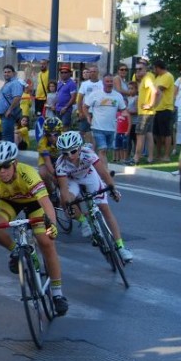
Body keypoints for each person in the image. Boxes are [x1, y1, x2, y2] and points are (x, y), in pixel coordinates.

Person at [0, 141, 68, 316]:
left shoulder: (28, 174)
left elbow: (46, 203)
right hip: (8, 202)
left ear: (14, 163)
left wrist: (52, 224)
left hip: (33, 203)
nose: (2, 171)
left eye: (6, 166)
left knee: (45, 242)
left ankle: (58, 294)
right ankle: (15, 251)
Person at [55, 130, 133, 263]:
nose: (69, 155)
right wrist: (69, 207)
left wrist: (113, 189)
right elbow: (64, 190)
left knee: (104, 208)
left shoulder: (88, 154)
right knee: (65, 200)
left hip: (88, 175)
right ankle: (84, 222)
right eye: (65, 153)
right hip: (72, 179)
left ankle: (121, 247)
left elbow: (103, 173)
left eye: (73, 151)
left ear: (79, 148)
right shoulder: (61, 164)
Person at [83, 73, 129, 169]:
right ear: (103, 83)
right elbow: (85, 106)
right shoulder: (95, 94)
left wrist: (124, 114)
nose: (109, 83)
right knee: (102, 150)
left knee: (104, 151)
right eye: (107, 81)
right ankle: (106, 172)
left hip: (111, 128)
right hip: (97, 127)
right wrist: (87, 116)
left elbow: (123, 109)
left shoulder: (117, 96)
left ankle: (93, 167)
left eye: (111, 81)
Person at [129, 62, 155, 165]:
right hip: (148, 112)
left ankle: (136, 158)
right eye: (136, 69)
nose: (138, 71)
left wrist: (150, 104)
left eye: (140, 69)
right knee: (149, 134)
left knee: (139, 134)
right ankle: (150, 158)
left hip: (145, 112)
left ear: (145, 69)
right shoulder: (147, 78)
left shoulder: (148, 78)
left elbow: (155, 91)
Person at [0, 65, 24, 147]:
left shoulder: (15, 83)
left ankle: (9, 157)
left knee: (7, 137)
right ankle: (8, 156)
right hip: (4, 114)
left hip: (9, 114)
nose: (6, 74)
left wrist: (9, 110)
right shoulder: (8, 83)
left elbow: (17, 97)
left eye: (9, 72)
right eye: (5, 72)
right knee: (6, 136)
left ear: (13, 73)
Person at [151, 59, 175, 162]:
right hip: (157, 109)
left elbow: (158, 90)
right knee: (157, 133)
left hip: (165, 108)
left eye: (154, 68)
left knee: (166, 133)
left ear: (158, 67)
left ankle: (166, 155)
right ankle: (158, 154)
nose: (153, 70)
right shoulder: (158, 77)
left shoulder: (168, 76)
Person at [36, 117, 63, 193]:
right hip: (47, 158)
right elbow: (47, 161)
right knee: (43, 173)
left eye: (56, 134)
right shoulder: (42, 143)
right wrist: (55, 175)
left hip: (60, 156)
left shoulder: (65, 138)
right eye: (49, 135)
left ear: (60, 132)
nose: (52, 138)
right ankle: (51, 192)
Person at [76, 65, 102, 144]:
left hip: (98, 112)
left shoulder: (102, 84)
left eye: (94, 71)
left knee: (95, 133)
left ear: (98, 73)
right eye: (91, 72)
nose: (93, 73)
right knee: (83, 132)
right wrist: (80, 112)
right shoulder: (84, 84)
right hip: (86, 111)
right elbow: (79, 99)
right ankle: (84, 149)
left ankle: (94, 152)